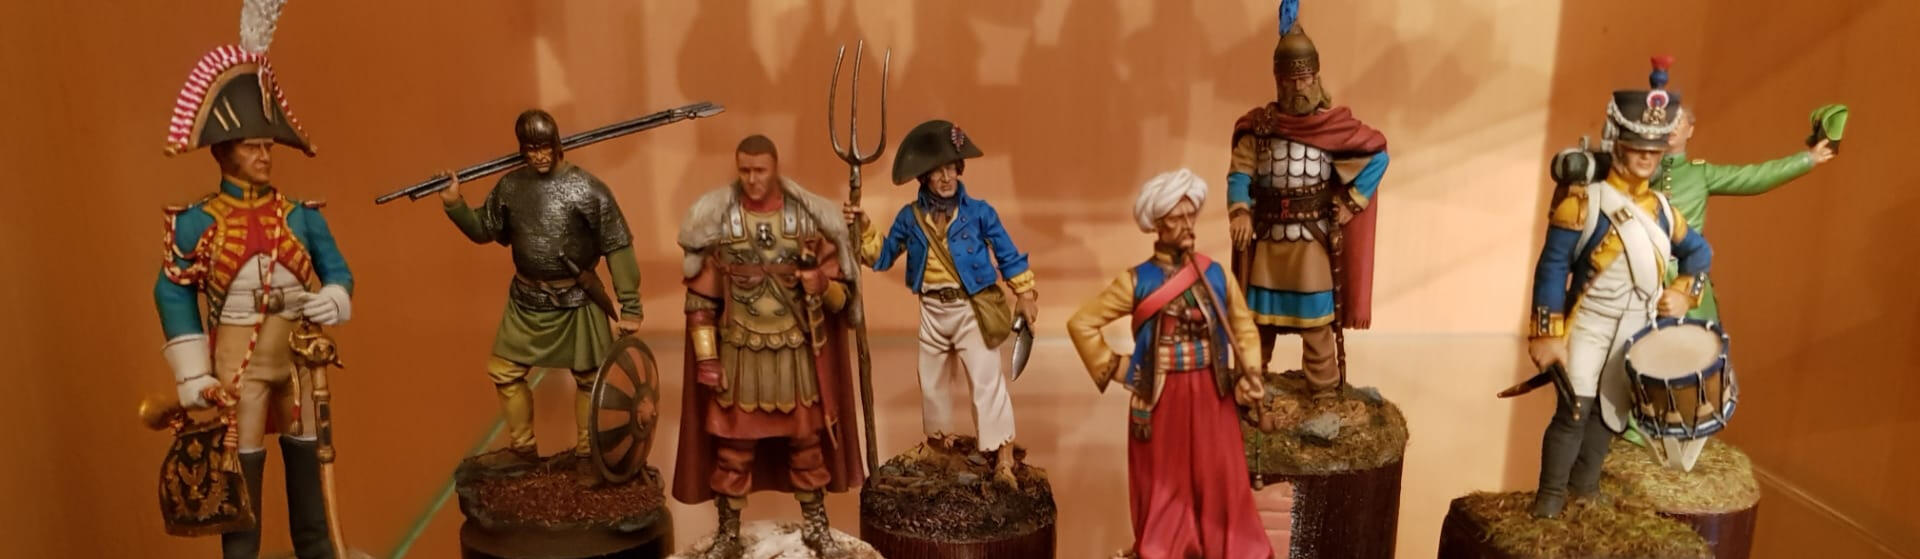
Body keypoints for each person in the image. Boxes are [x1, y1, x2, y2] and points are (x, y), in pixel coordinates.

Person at [154, 10, 352, 555]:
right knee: (240, 467)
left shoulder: (302, 216)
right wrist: (193, 373)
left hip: (299, 359)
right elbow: (172, 289)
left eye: (268, 145)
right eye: (251, 145)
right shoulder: (197, 222)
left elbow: (337, 271)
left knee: (308, 456)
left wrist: (335, 297)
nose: (264, 156)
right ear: (223, 150)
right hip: (237, 369)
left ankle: (316, 547)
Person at [672, 135, 867, 557]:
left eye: (759, 170)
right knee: (732, 451)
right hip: (739, 355)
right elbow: (700, 303)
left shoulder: (806, 222)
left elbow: (843, 301)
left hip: (794, 353)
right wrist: (707, 358)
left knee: (808, 447)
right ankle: (728, 534)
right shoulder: (721, 223)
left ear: (775, 168)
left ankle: (817, 526)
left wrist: (821, 284)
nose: (752, 179)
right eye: (744, 170)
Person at [1525, 84, 1713, 518]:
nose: (1645, 159)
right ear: (1618, 146)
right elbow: (1552, 267)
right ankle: (1549, 498)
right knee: (1574, 410)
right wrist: (1547, 334)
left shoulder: (1662, 210)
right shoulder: (1584, 202)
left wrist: (1683, 291)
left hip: (1636, 325)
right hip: (1589, 322)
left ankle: (1585, 489)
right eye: (1636, 149)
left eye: (1653, 151)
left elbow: (1698, 253)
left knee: (1611, 414)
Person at [1067, 169, 1272, 559]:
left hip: (1213, 391)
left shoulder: (1215, 274)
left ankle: (1228, 545)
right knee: (1166, 478)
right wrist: (1119, 369)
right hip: (1162, 396)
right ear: (1158, 225)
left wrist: (1250, 373)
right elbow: (1082, 323)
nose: (1187, 225)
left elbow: (1243, 326)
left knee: (1220, 473)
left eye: (1190, 215)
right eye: (1177, 218)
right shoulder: (1137, 281)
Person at [437, 109, 644, 483]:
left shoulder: (588, 190)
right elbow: (484, 229)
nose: (539, 155)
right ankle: (523, 450)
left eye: (545, 147)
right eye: (531, 149)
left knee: (589, 378)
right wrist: (455, 204)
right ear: (522, 150)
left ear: (557, 144)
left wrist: (630, 305)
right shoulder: (511, 187)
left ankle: (588, 454)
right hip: (527, 300)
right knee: (503, 370)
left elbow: (617, 246)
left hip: (577, 302)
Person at [843, 119, 1037, 486]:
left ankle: (1004, 458)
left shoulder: (979, 213)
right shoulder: (910, 218)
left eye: (951, 168)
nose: (946, 178)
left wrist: (1024, 293)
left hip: (970, 308)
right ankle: (939, 450)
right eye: (937, 171)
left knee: (986, 381)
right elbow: (882, 257)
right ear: (924, 177)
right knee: (931, 383)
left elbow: (1008, 255)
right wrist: (864, 227)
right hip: (932, 309)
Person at [1226, 1, 1389, 398]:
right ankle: (1251, 382)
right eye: (1291, 80)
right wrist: (1240, 211)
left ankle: (1323, 392)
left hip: (1311, 240)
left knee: (1317, 324)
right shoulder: (1260, 128)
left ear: (1316, 78)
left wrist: (1352, 203)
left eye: (1306, 79)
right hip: (1268, 241)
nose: (1299, 88)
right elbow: (1240, 173)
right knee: (1258, 322)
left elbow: (1377, 155)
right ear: (1279, 81)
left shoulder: (1333, 128)